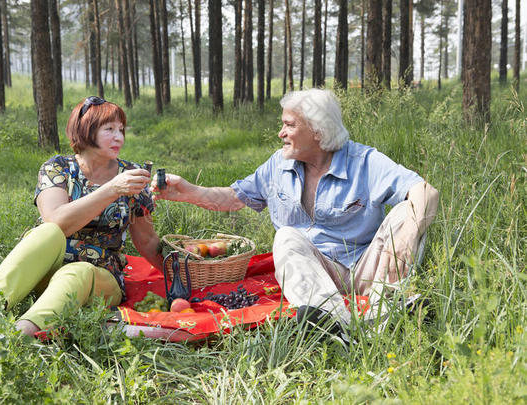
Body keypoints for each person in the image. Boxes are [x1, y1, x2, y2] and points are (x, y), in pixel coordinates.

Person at [151, 89, 439, 329]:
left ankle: (382, 313)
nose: (281, 133)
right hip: (314, 271)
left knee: (407, 213)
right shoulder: (279, 164)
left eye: (289, 125)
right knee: (287, 236)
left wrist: (405, 238)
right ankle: (335, 323)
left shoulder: (364, 160)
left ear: (317, 130)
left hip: (368, 266)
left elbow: (425, 191)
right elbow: (234, 197)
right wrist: (189, 192)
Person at [0, 96, 162, 337]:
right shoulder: (58, 168)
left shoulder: (130, 175)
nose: (119, 137)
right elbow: (57, 222)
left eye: (121, 129)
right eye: (109, 129)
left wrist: (188, 277)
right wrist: (111, 189)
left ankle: (19, 335)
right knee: (46, 231)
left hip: (98, 278)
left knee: (78, 272)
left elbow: (148, 242)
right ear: (86, 129)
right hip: (48, 271)